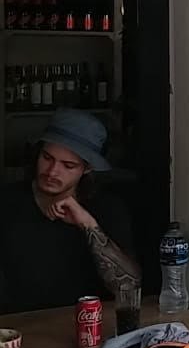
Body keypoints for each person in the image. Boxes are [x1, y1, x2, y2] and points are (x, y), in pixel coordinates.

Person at [0, 109, 138, 314]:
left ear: (87, 168)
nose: (52, 171)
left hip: (86, 323)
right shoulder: (7, 202)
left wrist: (88, 224)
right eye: (47, 158)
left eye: (68, 165)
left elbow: (128, 286)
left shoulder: (107, 208)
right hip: (17, 325)